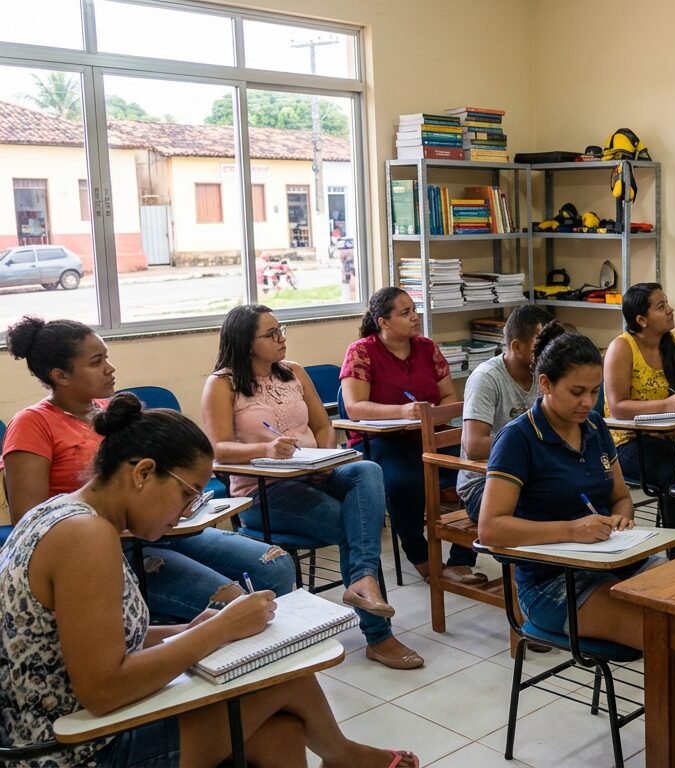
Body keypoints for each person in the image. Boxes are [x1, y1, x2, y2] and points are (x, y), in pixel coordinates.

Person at [0, 393, 416, 767]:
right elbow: (104, 689)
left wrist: (184, 630)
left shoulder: (63, 513)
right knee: (285, 677)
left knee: (283, 732)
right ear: (143, 473)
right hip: (68, 751)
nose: (186, 512)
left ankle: (343, 756)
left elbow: (89, 639)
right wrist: (218, 630)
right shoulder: (85, 536)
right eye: (187, 494)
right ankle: (344, 756)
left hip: (70, 727)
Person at [477, 322, 675, 768]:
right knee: (671, 635)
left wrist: (623, 516)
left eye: (594, 392)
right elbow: (491, 529)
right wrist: (571, 530)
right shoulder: (518, 439)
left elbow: (619, 495)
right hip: (553, 584)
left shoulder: (592, 426)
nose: (588, 403)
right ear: (545, 384)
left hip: (612, 564)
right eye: (576, 392)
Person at [1, 315, 295, 622]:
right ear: (61, 375)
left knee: (275, 566)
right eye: (96, 361)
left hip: (160, 530)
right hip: (112, 545)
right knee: (228, 603)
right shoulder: (32, 423)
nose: (110, 368)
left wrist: (176, 502)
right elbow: (29, 518)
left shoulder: (112, 412)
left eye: (107, 357)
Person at [202, 304, 421, 671]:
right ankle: (378, 634)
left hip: (313, 473)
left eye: (281, 329)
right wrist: (265, 449)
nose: (281, 338)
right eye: (271, 334)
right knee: (355, 522)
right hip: (264, 491)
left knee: (365, 468)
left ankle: (364, 584)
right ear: (246, 343)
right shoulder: (222, 384)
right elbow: (216, 449)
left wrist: (324, 457)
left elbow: (324, 426)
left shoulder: (294, 373)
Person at [340, 287, 485, 586]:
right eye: (405, 313)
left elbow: (447, 396)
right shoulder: (362, 351)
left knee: (486, 467)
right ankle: (424, 561)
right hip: (382, 440)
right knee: (405, 483)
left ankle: (461, 559)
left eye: (414, 310)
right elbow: (354, 408)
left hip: (430, 433)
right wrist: (401, 412)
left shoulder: (427, 347)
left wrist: (438, 415)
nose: (414, 317)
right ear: (383, 322)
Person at [603, 282, 675, 530]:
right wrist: (667, 405)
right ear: (641, 319)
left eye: (667, 303)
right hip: (629, 441)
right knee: (673, 471)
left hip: (674, 436)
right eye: (661, 307)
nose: (670, 310)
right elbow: (618, 408)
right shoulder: (622, 348)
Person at [457, 303, 553, 522]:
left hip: (533, 474)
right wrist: (533, 447)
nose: (550, 351)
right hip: (484, 482)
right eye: (542, 344)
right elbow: (474, 446)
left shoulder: (546, 373)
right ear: (517, 346)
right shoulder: (487, 378)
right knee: (543, 509)